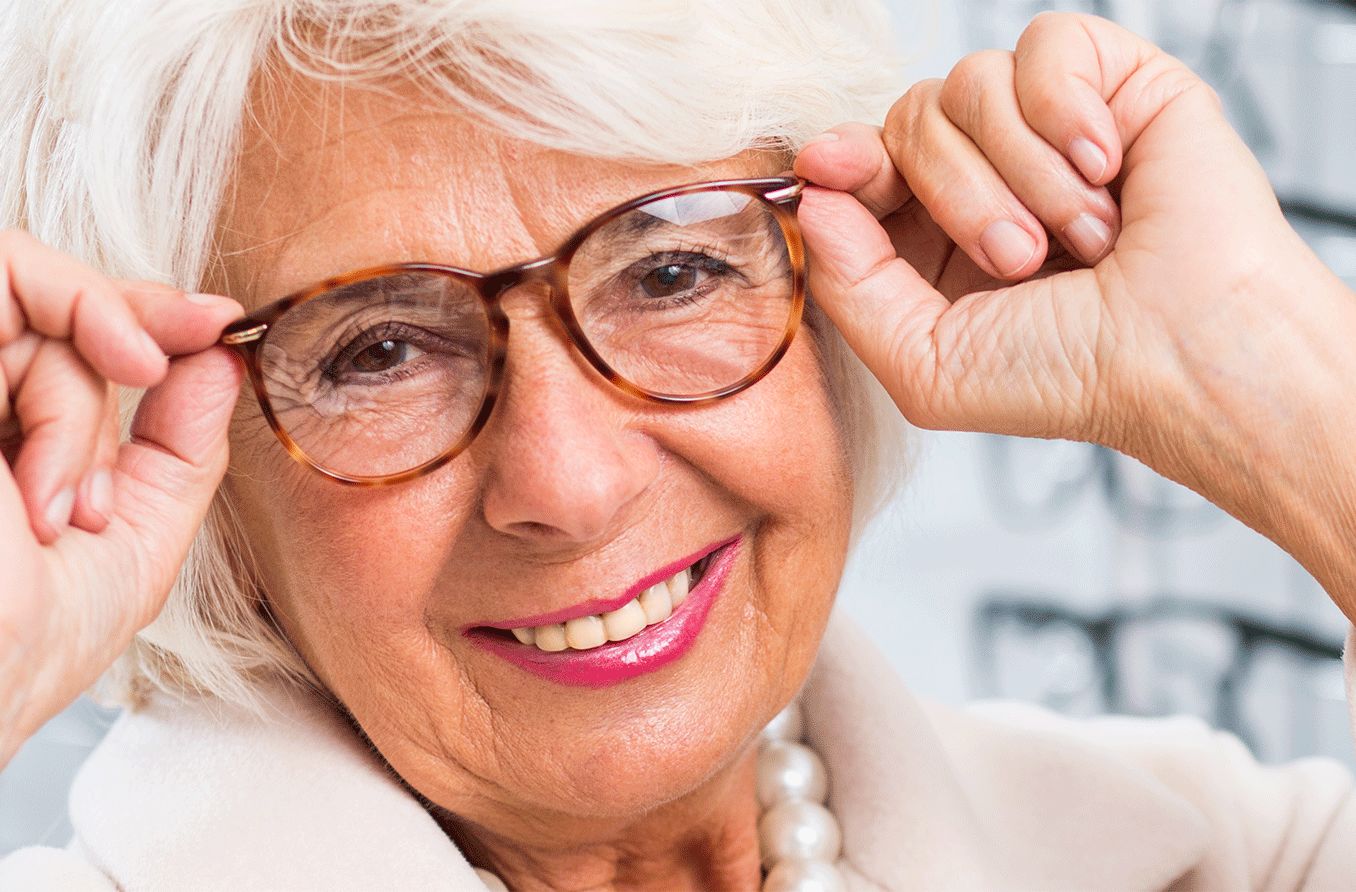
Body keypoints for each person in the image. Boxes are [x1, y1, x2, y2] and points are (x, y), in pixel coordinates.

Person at [1, 1, 1353, 889]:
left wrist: (1277, 368)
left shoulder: (1203, 859)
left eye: (670, 274)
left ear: (842, 290)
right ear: (189, 463)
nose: (573, 485)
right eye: (381, 353)